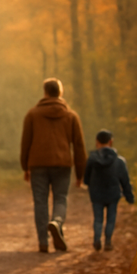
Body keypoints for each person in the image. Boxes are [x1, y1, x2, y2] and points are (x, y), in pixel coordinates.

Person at [20, 78, 86, 252]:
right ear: (60, 92)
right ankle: (56, 221)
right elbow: (79, 146)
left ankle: (43, 242)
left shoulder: (32, 114)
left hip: (38, 165)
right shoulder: (71, 116)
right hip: (63, 164)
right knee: (60, 198)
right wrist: (80, 174)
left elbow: (25, 142)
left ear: (45, 92)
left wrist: (25, 167)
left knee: (40, 202)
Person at [83, 128, 134, 251]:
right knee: (111, 219)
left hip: (96, 194)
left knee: (98, 219)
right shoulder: (119, 161)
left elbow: (86, 179)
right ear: (111, 142)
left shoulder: (92, 159)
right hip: (113, 194)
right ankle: (108, 242)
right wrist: (129, 197)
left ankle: (96, 240)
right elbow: (125, 181)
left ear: (97, 142)